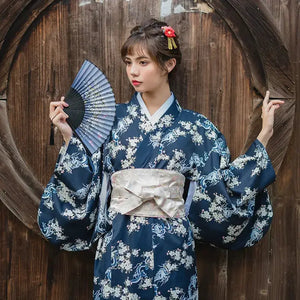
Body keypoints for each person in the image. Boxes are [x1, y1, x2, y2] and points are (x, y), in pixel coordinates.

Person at [38, 19, 284, 299]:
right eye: (129, 61)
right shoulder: (110, 120)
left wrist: (264, 135)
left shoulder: (197, 128)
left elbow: (222, 193)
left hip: (173, 249)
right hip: (119, 246)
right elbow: (86, 182)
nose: (133, 71)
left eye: (143, 62)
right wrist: (69, 137)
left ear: (168, 65)